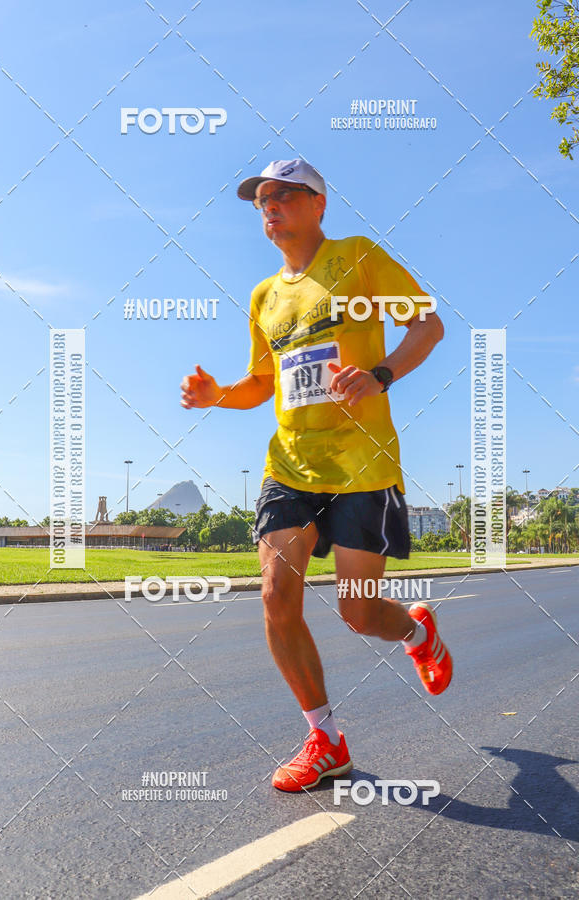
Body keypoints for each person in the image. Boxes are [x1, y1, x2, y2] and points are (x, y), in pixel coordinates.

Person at [181, 159, 452, 793]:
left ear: (318, 203)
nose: (268, 205)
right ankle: (324, 737)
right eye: (260, 199)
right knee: (277, 597)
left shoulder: (358, 258)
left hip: (361, 465)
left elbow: (428, 325)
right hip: (290, 466)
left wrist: (380, 374)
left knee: (358, 612)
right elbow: (261, 383)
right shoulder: (264, 296)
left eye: (281, 195)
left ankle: (417, 633)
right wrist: (218, 393)